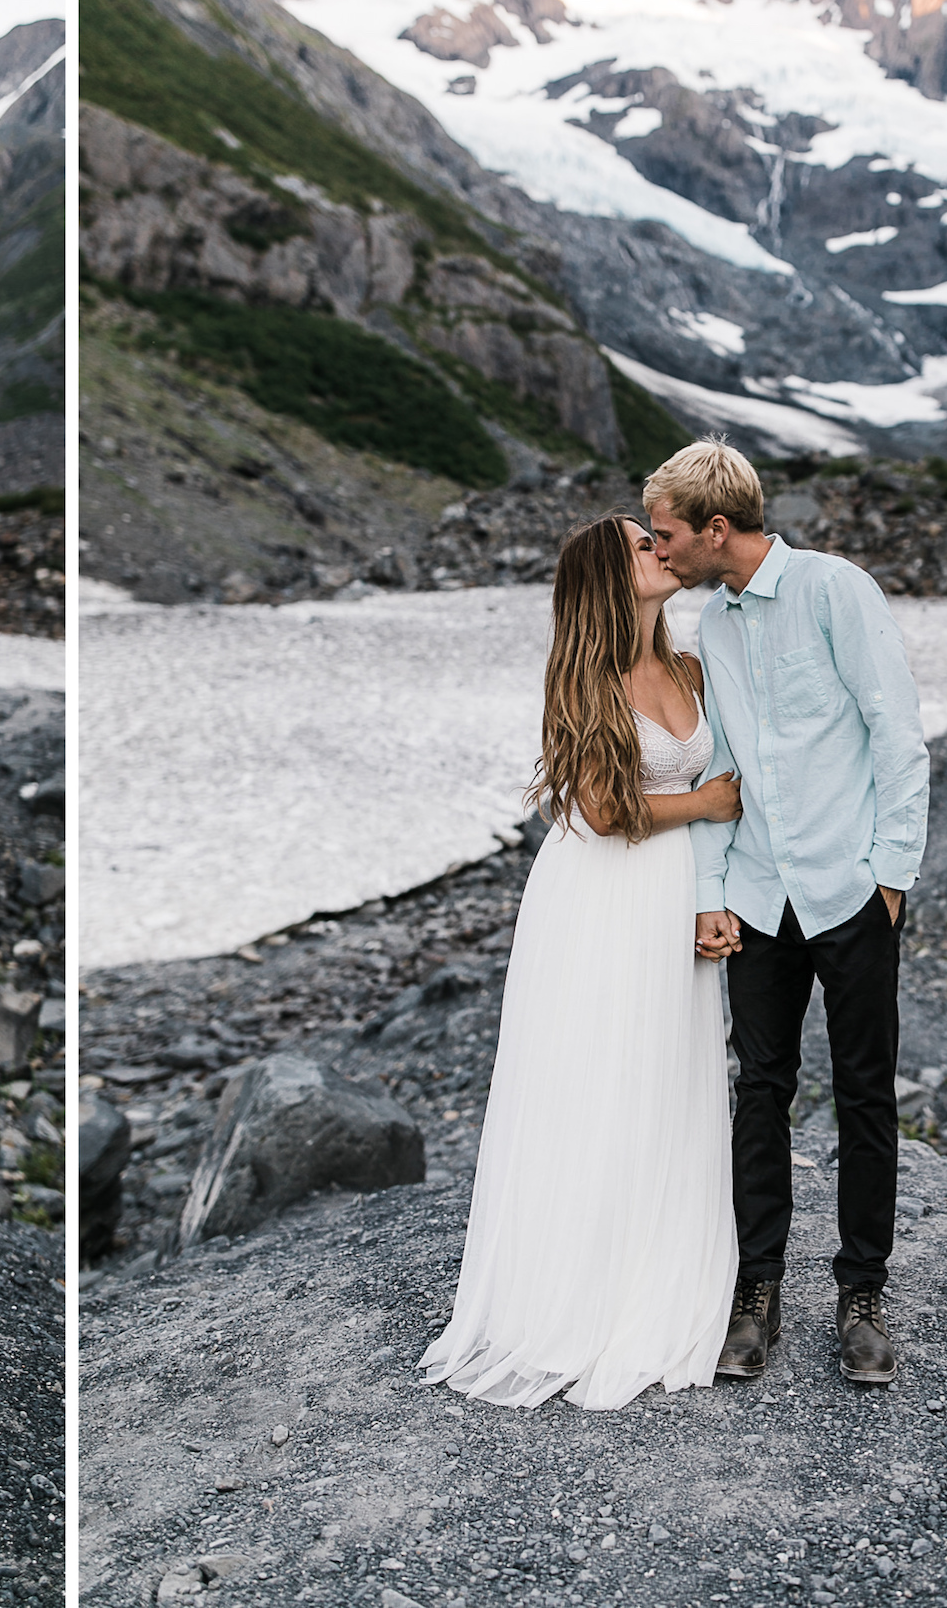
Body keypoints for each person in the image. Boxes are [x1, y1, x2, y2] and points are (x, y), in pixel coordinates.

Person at [419, 515, 744, 1409]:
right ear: (611, 575)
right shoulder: (586, 674)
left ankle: (660, 1263)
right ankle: (581, 1289)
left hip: (672, 889)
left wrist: (713, 889)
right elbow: (602, 810)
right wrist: (707, 800)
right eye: (645, 545)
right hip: (602, 894)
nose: (663, 549)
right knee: (598, 1078)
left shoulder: (689, 665)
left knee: (667, 1076)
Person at [644, 438, 929, 1388]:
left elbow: (897, 733)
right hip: (760, 899)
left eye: (670, 533)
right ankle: (755, 1291)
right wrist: (710, 890)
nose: (662, 548)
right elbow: (718, 772)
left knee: (864, 1095)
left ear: (716, 528)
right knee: (758, 1089)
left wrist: (890, 878)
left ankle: (862, 1295)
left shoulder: (835, 591)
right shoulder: (711, 628)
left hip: (851, 893)